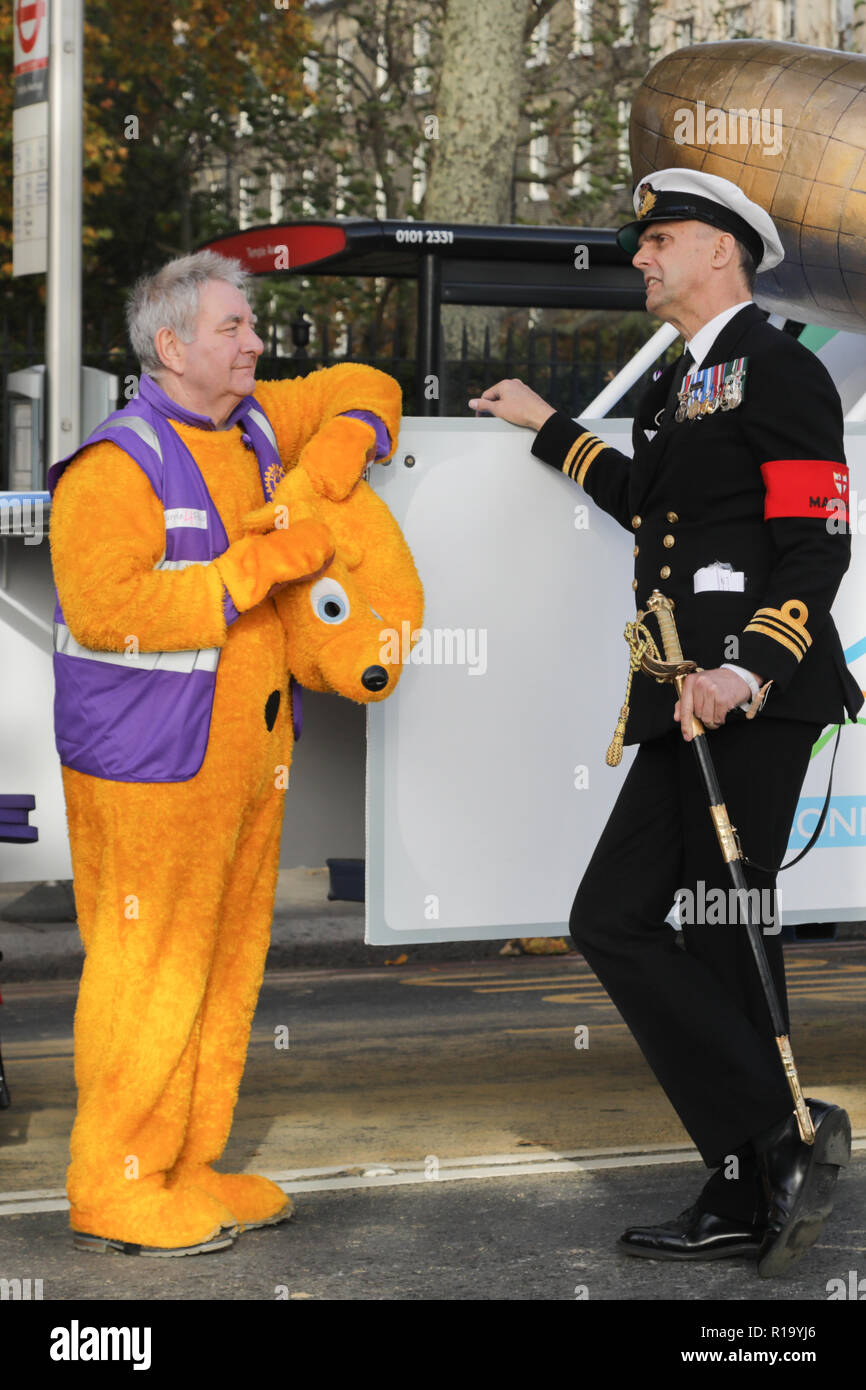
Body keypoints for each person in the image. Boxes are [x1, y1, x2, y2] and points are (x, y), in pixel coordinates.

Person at [469, 168, 861, 1278]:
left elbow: (816, 545)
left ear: (722, 253)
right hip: (681, 700)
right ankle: (770, 1150)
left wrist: (744, 669)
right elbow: (650, 504)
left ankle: (757, 1168)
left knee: (706, 923)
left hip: (753, 699)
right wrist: (550, 427)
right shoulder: (684, 383)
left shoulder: (778, 371)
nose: (638, 258)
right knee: (630, 919)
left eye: (660, 238)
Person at [48, 250, 403, 1255]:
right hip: (148, 767)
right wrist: (247, 569)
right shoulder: (117, 464)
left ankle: (187, 1166)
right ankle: (114, 1182)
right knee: (147, 973)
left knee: (225, 969)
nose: (255, 343)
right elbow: (106, 607)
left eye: (250, 327)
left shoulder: (250, 421)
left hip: (246, 759)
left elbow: (365, 384)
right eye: (233, 329)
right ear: (171, 346)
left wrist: (334, 454)